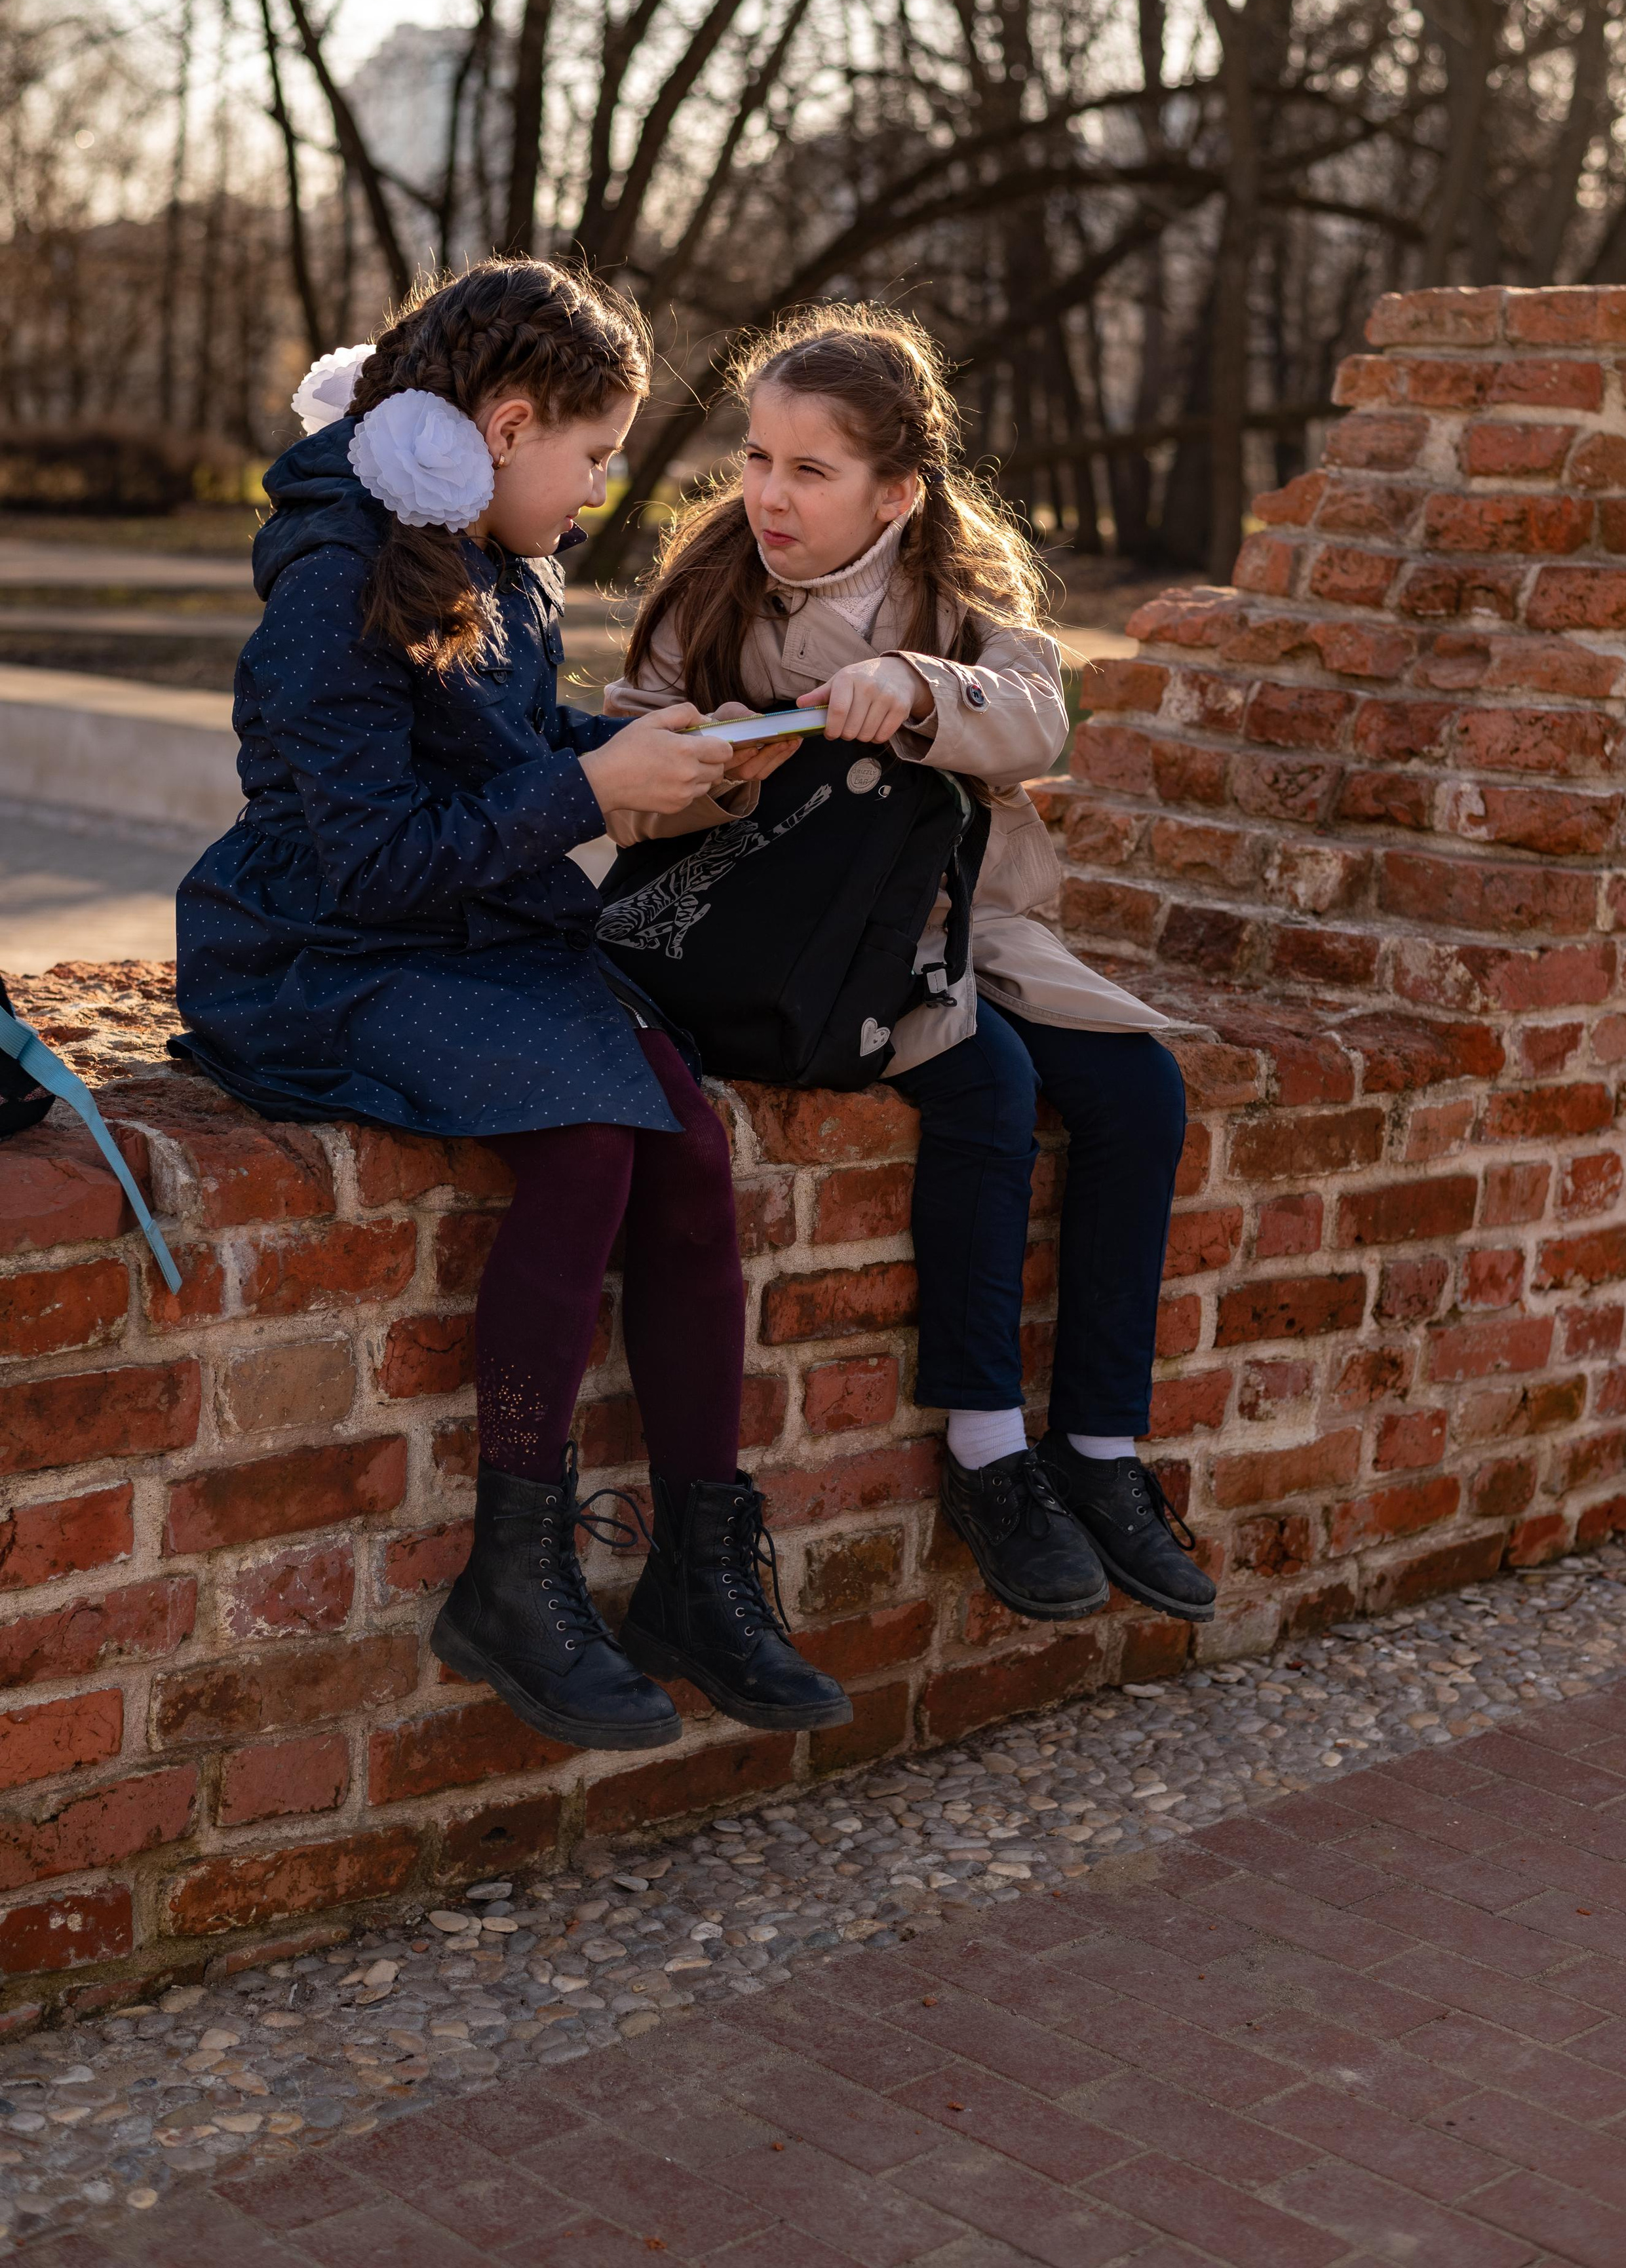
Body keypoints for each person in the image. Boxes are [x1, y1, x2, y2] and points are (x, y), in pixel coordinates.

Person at [172, 258, 850, 1750]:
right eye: (593, 457)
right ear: (504, 422)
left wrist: (637, 745)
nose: (601, 491)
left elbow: (495, 734)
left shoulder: (489, 554)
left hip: (460, 931)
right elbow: (366, 862)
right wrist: (587, 794)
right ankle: (510, 1575)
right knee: (589, 1142)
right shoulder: (336, 582)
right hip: (316, 957)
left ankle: (693, 1564)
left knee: (682, 1145)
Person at [608, 306, 1216, 1628]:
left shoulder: (957, 587)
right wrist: (705, 760)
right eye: (755, 457)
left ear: (896, 490)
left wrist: (921, 686)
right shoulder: (710, 585)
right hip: (796, 934)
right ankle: (987, 1451)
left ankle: (1100, 1455)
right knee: (988, 1093)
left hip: (974, 922)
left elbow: (1042, 710)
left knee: (1136, 1096)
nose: (767, 493)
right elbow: (613, 769)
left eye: (809, 471)